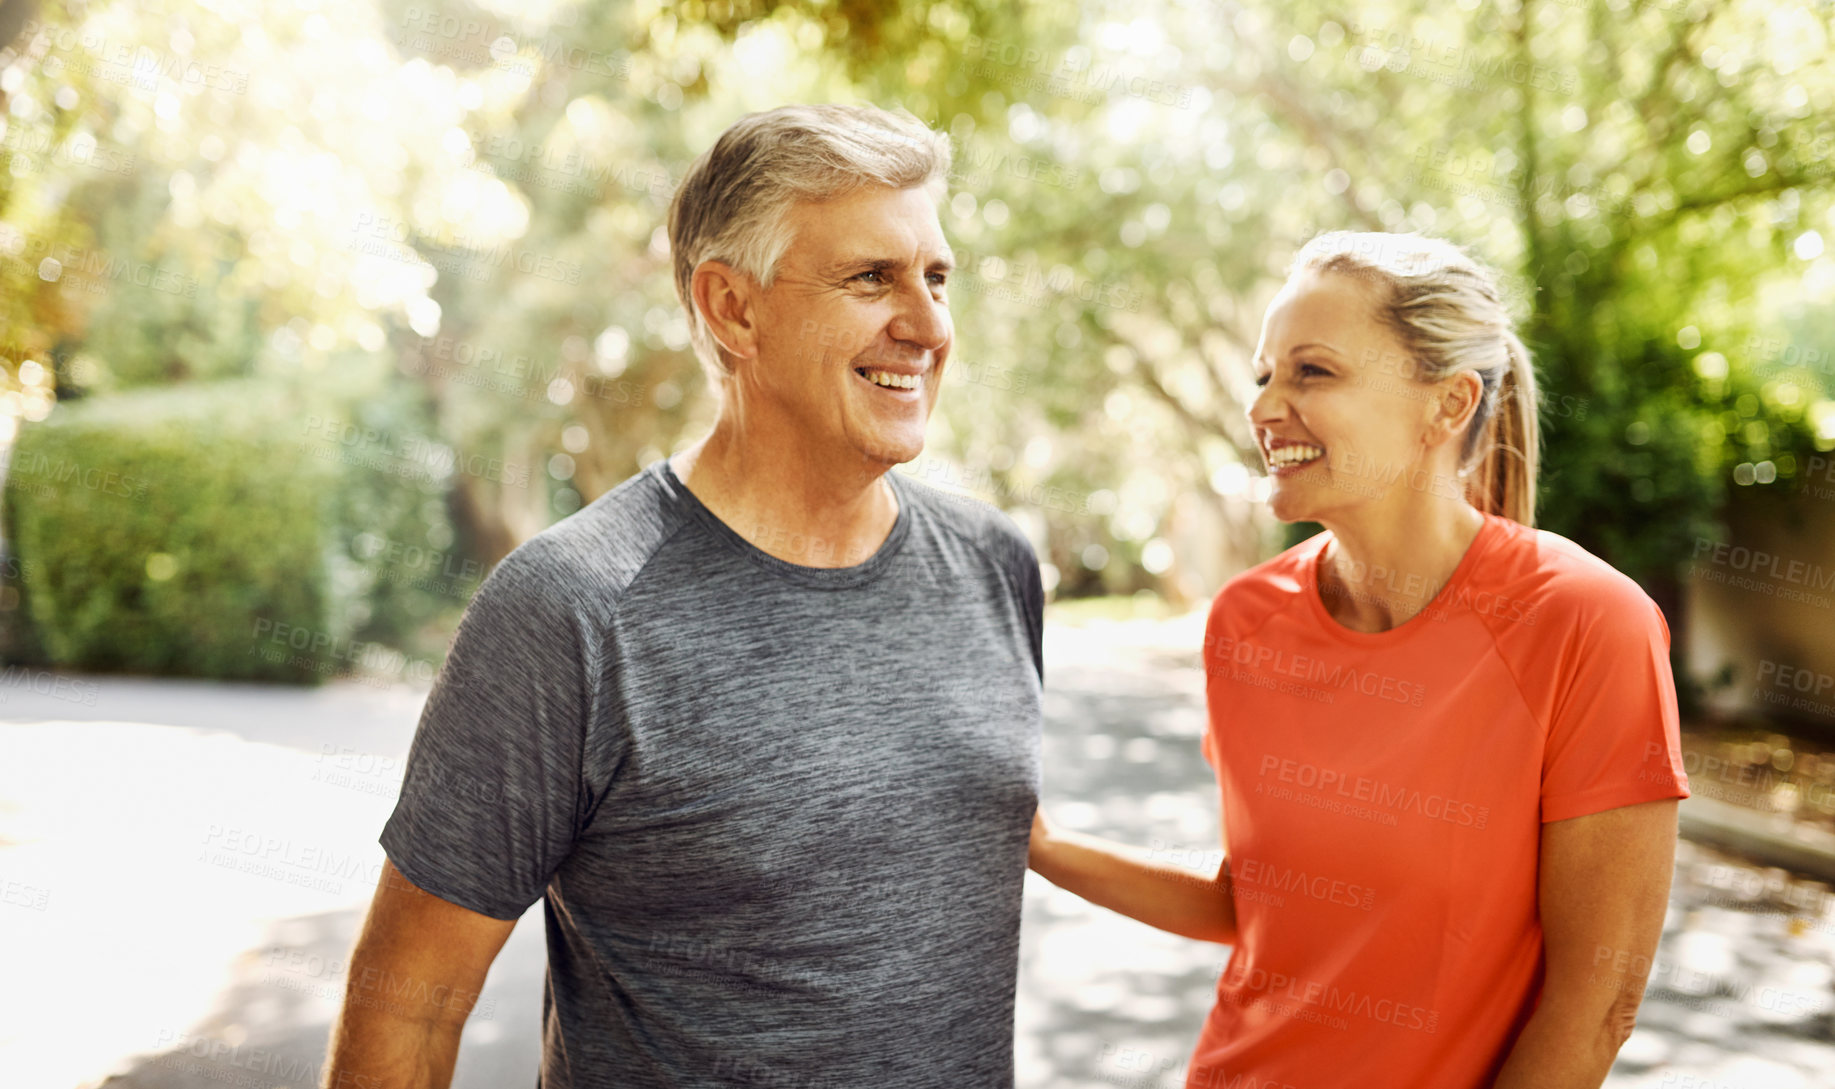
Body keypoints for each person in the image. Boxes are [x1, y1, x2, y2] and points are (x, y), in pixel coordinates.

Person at [324, 104, 1046, 1089]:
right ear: (730, 309)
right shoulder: (570, 609)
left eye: (935, 278)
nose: (924, 326)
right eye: (870, 278)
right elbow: (408, 1005)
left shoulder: (995, 568)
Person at [1028, 230, 1691, 1089]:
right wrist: (1038, 844)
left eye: (1312, 372)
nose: (1265, 408)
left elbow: (1597, 1002)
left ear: (1447, 405)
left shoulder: (1585, 622)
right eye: (1263, 374)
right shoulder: (1246, 618)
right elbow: (1251, 898)